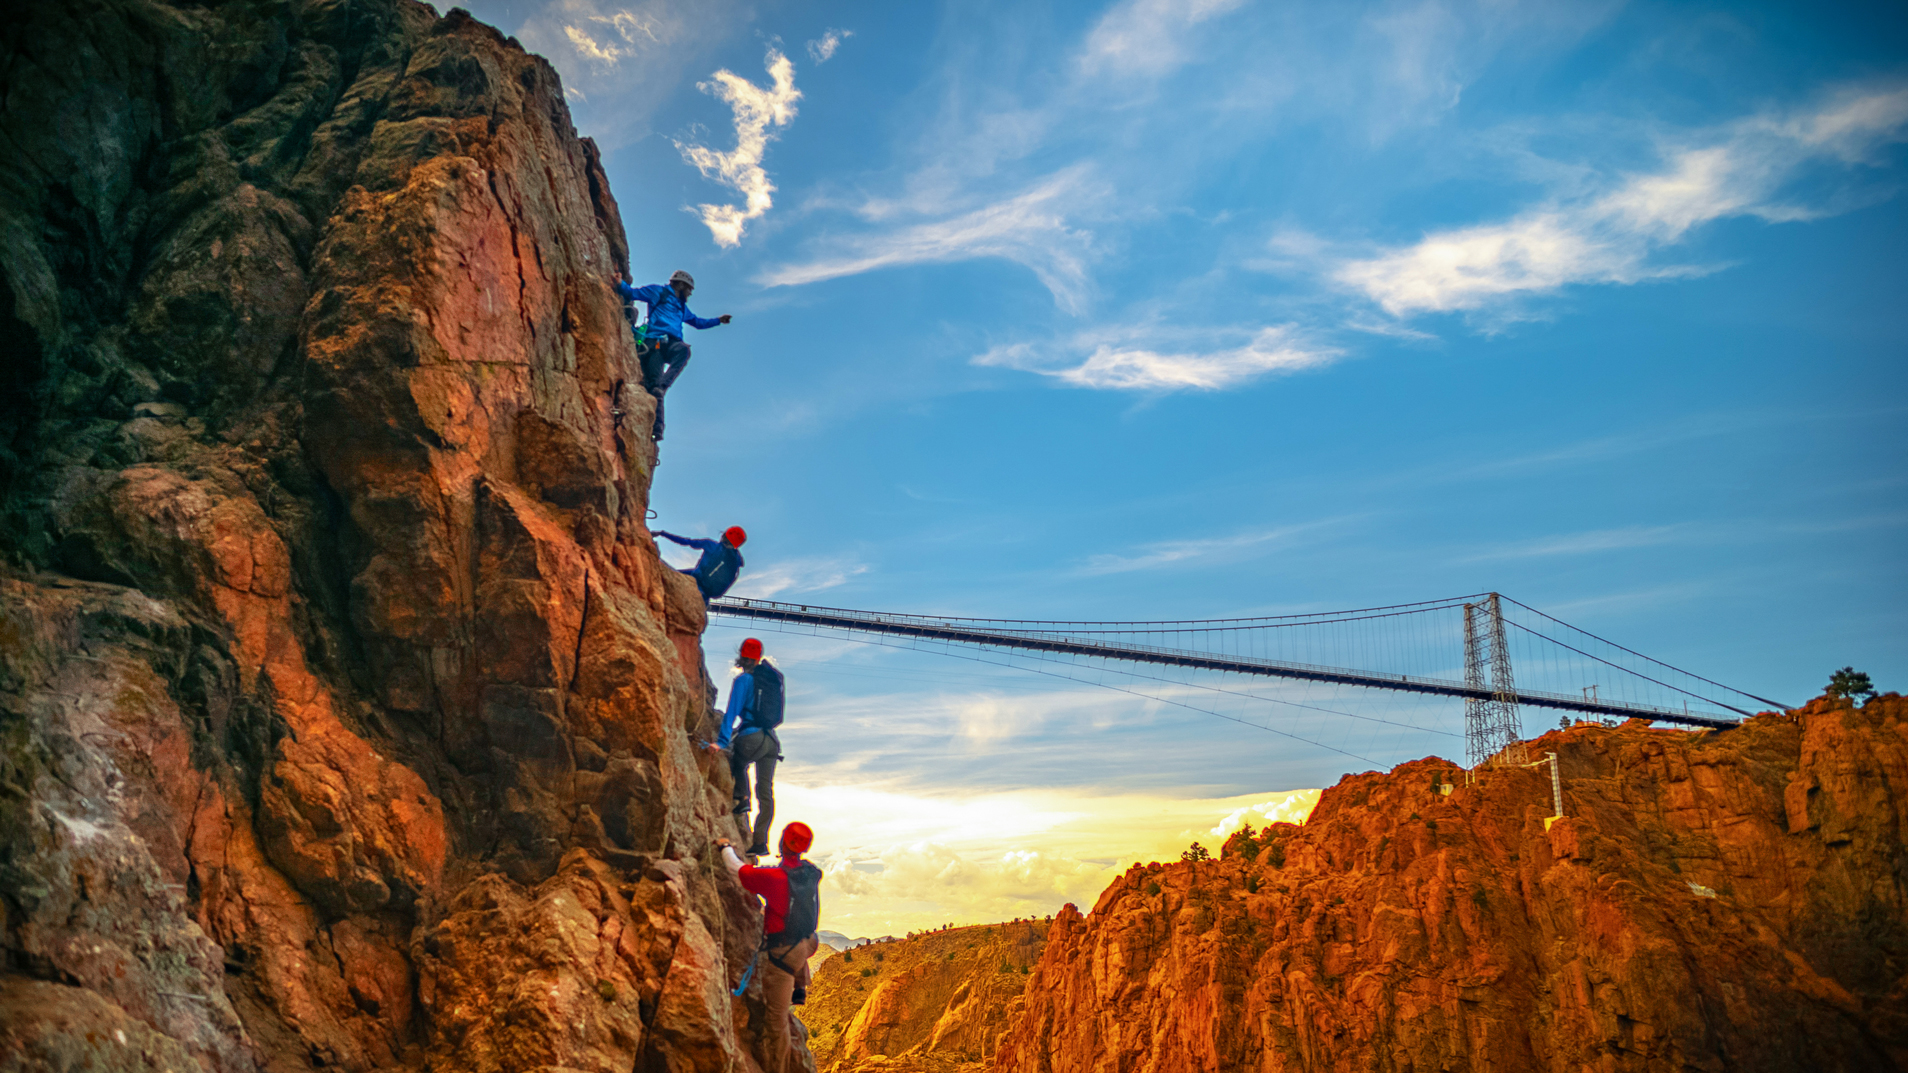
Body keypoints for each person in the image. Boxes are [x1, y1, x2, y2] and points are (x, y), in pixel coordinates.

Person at [719, 822, 822, 1073]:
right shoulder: (808, 872)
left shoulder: (776, 879)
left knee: (777, 1022)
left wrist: (725, 847)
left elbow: (737, 870)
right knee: (797, 952)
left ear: (782, 843)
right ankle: (799, 986)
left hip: (784, 955)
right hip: (809, 941)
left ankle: (778, 1069)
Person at [612, 270, 730, 441]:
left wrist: (718, 320)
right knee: (654, 387)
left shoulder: (681, 307)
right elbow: (632, 293)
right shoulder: (657, 292)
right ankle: (656, 430)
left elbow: (697, 322)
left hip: (672, 344)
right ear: (681, 285)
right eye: (689, 289)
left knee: (683, 352)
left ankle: (662, 385)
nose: (690, 293)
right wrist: (619, 283)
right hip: (656, 344)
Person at [720, 637, 785, 856]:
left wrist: (721, 742)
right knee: (766, 792)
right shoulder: (771, 679)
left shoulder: (744, 680)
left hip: (751, 737)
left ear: (741, 656)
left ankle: (742, 798)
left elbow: (730, 714)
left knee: (737, 757)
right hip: (772, 742)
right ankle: (760, 842)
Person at [653, 526, 746, 604]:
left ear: (725, 535)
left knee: (667, 574)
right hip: (708, 593)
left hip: (696, 579)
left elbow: (686, 542)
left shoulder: (711, 545)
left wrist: (662, 533)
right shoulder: (736, 561)